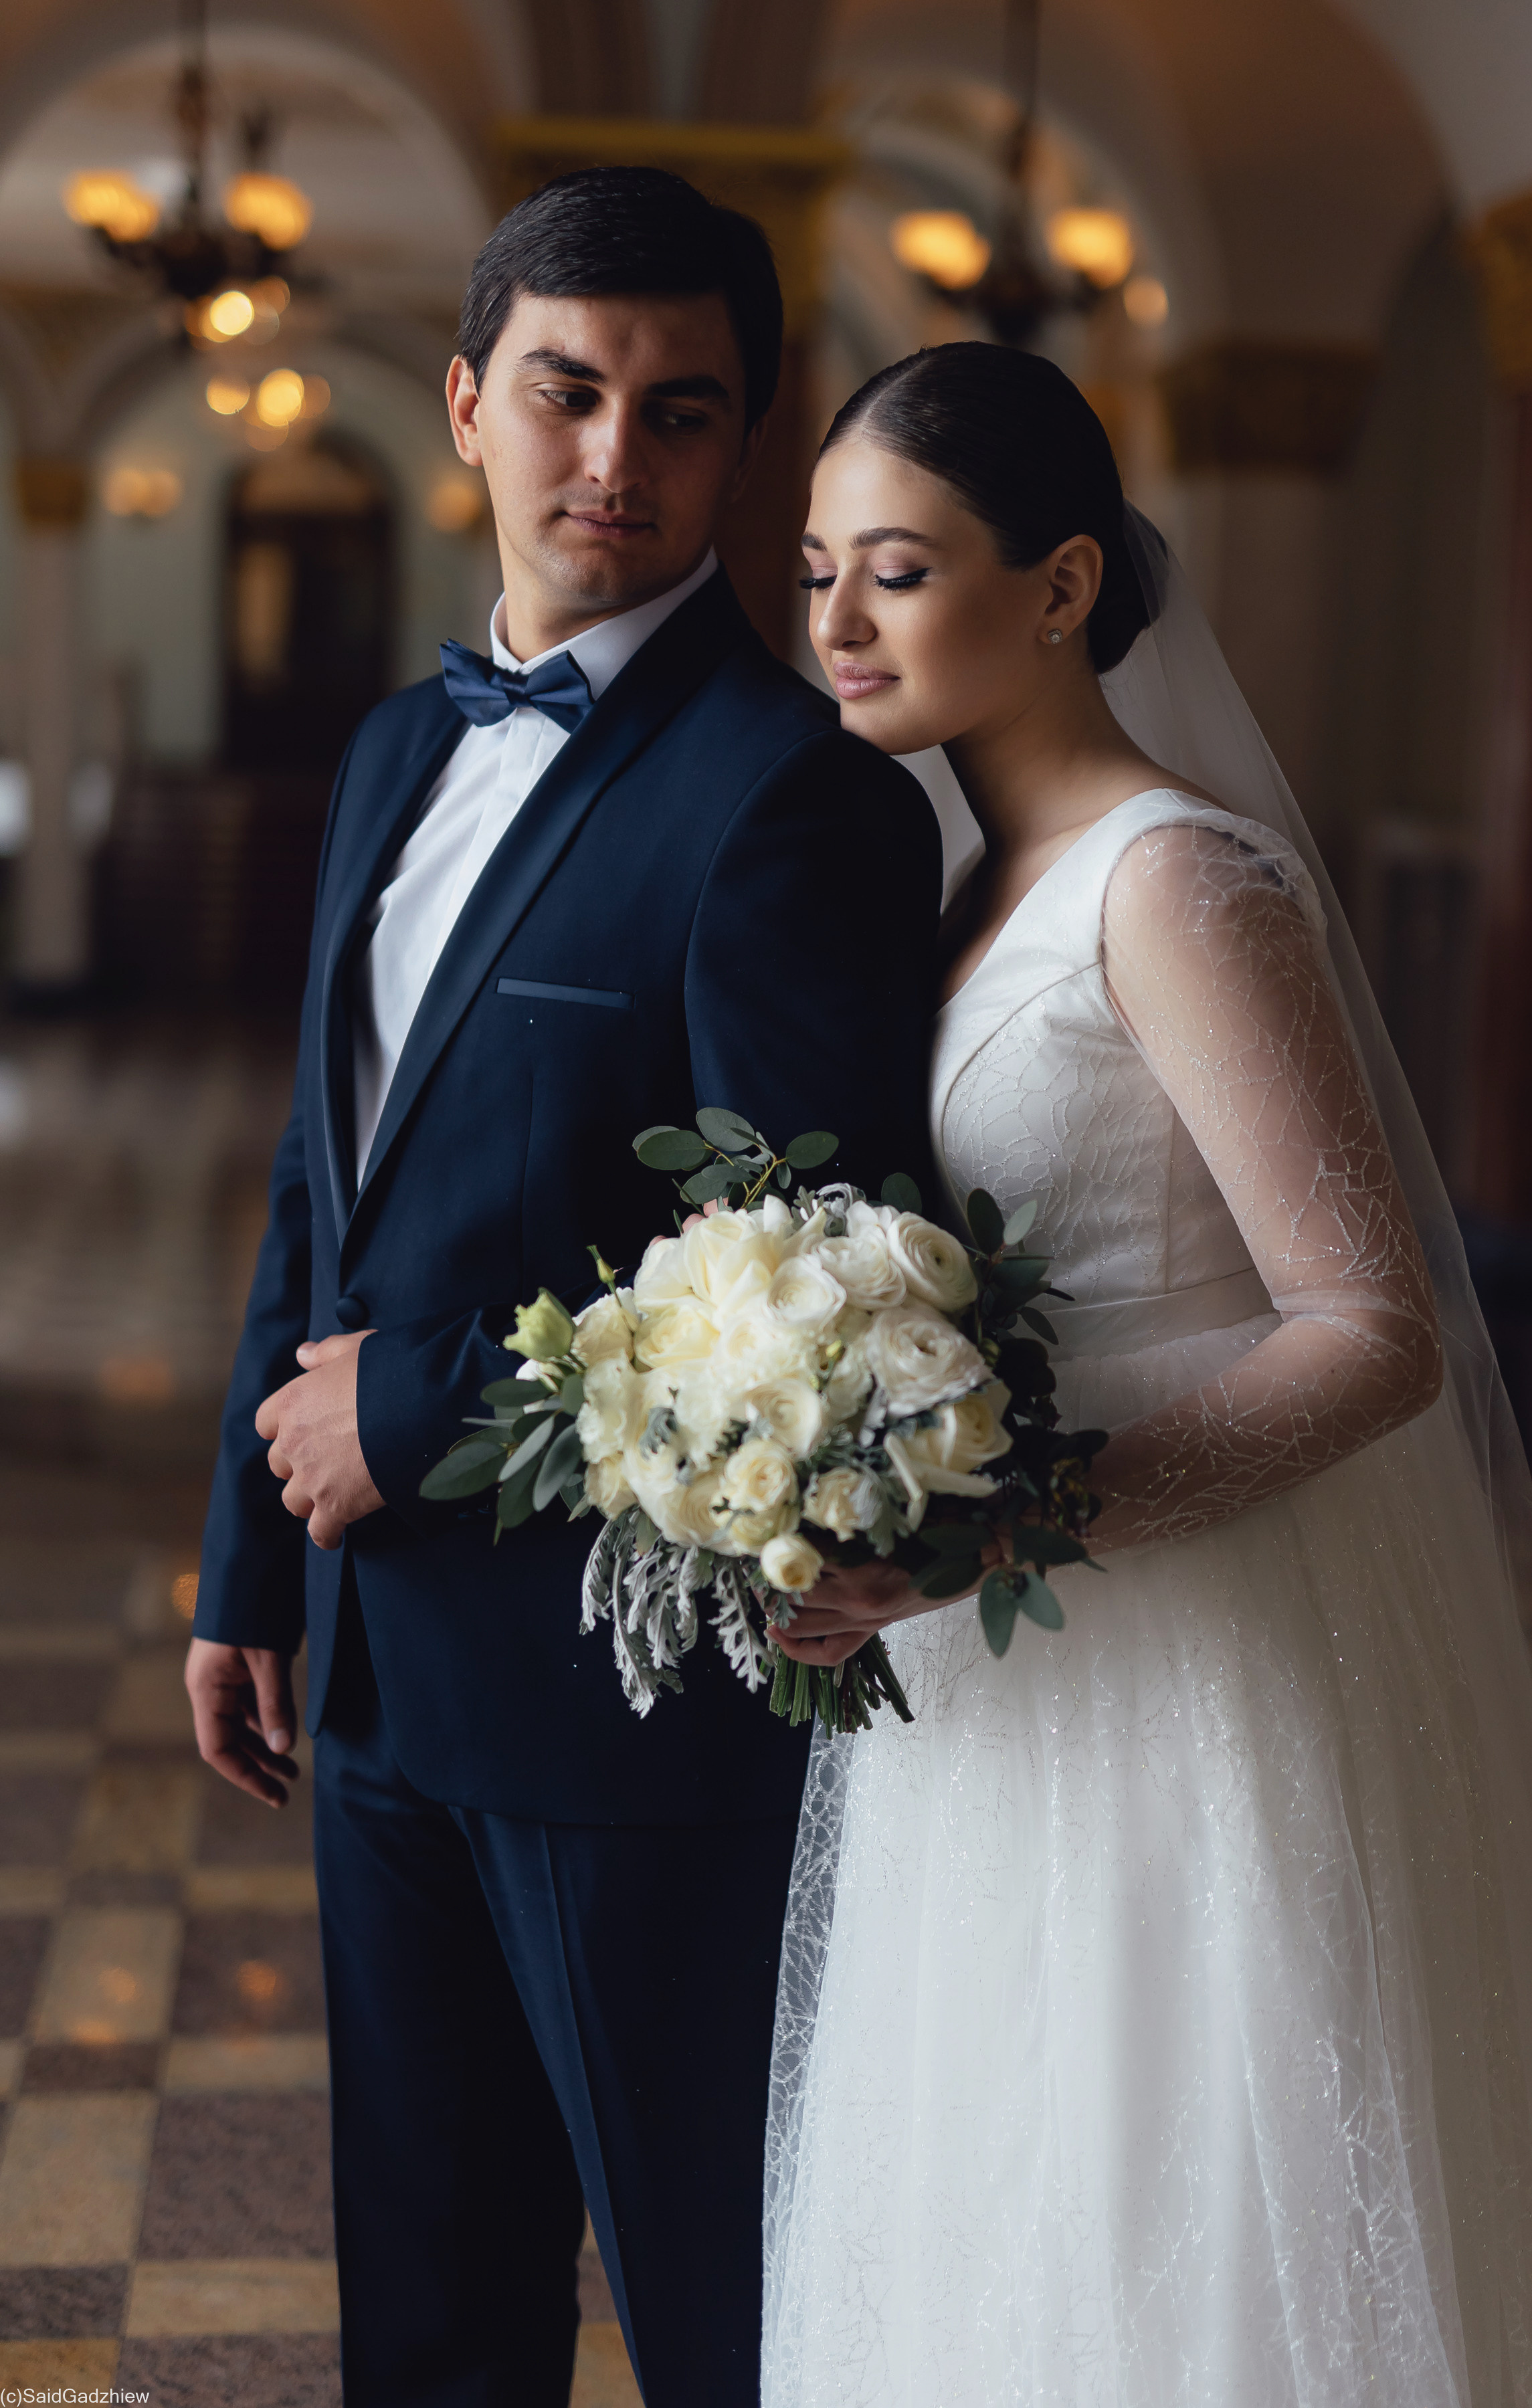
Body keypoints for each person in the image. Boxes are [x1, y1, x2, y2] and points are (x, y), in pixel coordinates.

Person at [761, 343, 1532, 2405]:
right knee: (996, 2184)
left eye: (895, 570)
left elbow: (1376, 1331)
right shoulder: (975, 889)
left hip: (1196, 1648)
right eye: (813, 576)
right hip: (996, 1670)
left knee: (1179, 2179)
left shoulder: (1180, 880)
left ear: (1060, 588)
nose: (837, 626)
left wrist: (1000, 1528)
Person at [183, 169, 940, 2407]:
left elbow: (794, 1291)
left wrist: (404, 1415)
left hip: (636, 1714)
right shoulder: (398, 748)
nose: (617, 458)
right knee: (431, 2303)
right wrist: (248, 1558)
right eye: (567, 392)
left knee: (717, 2308)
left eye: (682, 410)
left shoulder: (793, 799)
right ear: (466, 404)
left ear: (751, 442)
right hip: (384, 1662)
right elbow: (327, 1182)